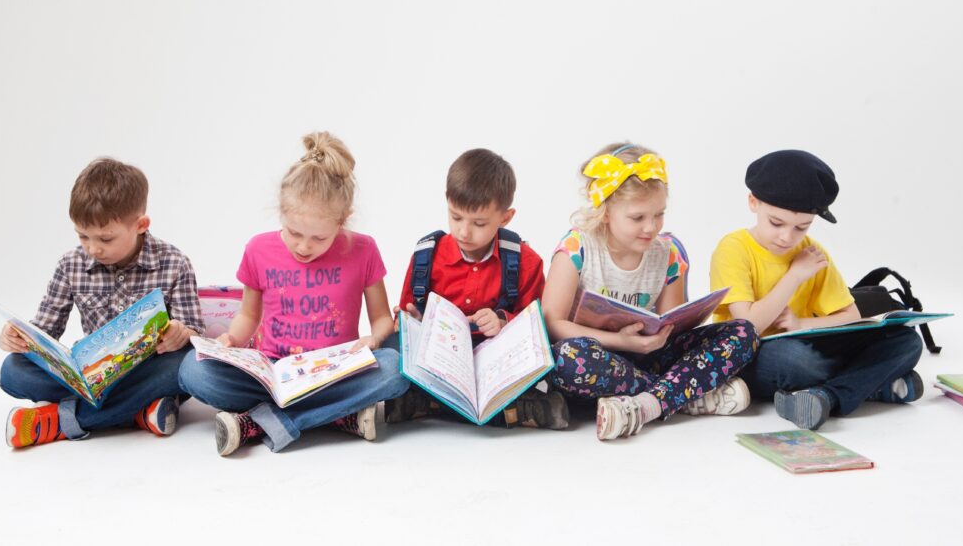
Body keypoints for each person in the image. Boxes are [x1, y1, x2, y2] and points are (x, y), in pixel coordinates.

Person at [178, 132, 409, 455]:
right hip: (273, 372)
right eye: (294, 232)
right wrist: (229, 341)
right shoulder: (259, 249)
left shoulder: (363, 250)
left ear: (342, 221)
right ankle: (338, 415)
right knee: (192, 369)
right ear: (281, 213)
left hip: (335, 372)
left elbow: (382, 317)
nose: (303, 246)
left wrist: (375, 338)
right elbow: (249, 315)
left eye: (319, 238)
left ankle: (260, 422)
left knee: (396, 368)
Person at [543, 143, 758, 441]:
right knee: (566, 360)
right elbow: (552, 324)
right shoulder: (577, 248)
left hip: (650, 354)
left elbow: (673, 326)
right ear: (605, 212)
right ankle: (683, 394)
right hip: (600, 360)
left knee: (744, 332)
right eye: (638, 218)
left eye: (659, 214)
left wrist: (667, 331)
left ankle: (648, 404)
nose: (651, 227)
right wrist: (620, 341)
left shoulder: (667, 253)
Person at [710, 149, 924, 430]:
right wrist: (794, 276)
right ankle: (869, 385)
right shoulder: (733, 249)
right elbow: (747, 326)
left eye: (802, 227)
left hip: (805, 344)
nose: (787, 237)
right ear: (753, 202)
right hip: (749, 355)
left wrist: (801, 323)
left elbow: (850, 316)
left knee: (907, 341)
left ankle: (826, 396)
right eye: (776, 223)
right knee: (796, 361)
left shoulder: (811, 252)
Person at [0, 158, 204, 447]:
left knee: (187, 366)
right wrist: (20, 337)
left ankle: (59, 422)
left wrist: (180, 333)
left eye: (106, 239)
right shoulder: (70, 264)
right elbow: (46, 329)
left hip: (149, 369)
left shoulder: (174, 263)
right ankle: (137, 410)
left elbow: (195, 333)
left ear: (140, 225)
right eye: (83, 236)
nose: (93, 248)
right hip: (92, 374)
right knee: (13, 369)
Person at [388, 148, 569, 429]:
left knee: (552, 357)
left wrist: (502, 322)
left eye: (479, 223)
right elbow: (407, 317)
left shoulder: (526, 261)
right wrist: (411, 321)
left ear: (505, 218)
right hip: (442, 363)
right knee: (391, 351)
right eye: (456, 217)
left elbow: (536, 331)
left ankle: (427, 405)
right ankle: (519, 411)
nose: (464, 232)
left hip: (494, 364)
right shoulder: (426, 257)